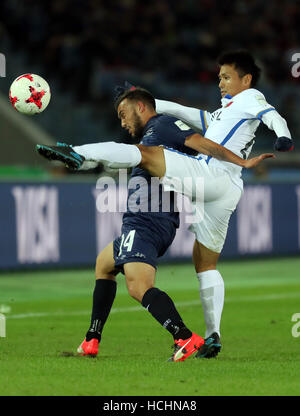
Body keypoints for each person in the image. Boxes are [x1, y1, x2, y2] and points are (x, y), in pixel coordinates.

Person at [36, 58, 281, 359]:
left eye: (124, 115)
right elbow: (196, 125)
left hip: (149, 219)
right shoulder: (157, 133)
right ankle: (92, 338)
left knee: (139, 287)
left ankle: (184, 336)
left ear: (140, 108)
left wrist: (241, 160)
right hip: (145, 218)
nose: (122, 123)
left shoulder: (161, 126)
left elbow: (200, 141)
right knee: (104, 264)